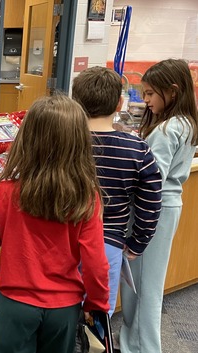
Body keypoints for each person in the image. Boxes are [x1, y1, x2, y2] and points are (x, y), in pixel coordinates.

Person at [0, 95, 110, 353]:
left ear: (27, 139)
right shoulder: (87, 197)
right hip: (63, 308)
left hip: (14, 305)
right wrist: (97, 303)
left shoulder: (6, 192)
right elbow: (95, 262)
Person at [119, 59, 198, 353]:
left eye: (151, 94)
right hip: (166, 208)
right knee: (142, 283)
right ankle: (135, 343)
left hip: (153, 211)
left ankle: (142, 347)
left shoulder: (168, 130)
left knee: (143, 287)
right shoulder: (184, 122)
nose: (147, 101)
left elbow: (150, 179)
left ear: (173, 91)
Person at [72, 66, 162, 318]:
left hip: (60, 242)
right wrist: (137, 243)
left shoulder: (63, 141)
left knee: (59, 315)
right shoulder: (137, 148)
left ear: (75, 102)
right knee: (98, 320)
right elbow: (151, 203)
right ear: (120, 103)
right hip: (107, 244)